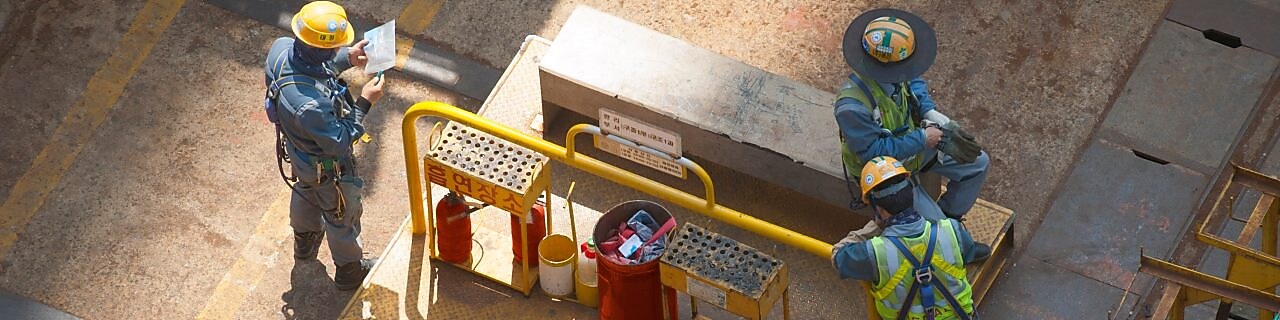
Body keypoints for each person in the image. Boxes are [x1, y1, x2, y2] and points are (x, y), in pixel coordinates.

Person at [263, 1, 386, 290]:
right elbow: (340, 140)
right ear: (325, 49)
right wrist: (365, 101)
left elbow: (311, 62)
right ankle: (349, 271)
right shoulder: (310, 107)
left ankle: (304, 244)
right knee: (341, 215)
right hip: (326, 164)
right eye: (335, 48)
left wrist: (347, 57)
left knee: (306, 192)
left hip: (299, 153)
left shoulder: (280, 48)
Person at [834, 8, 987, 222]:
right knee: (935, 228)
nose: (908, 72)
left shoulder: (897, 72)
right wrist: (923, 139)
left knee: (978, 164)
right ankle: (943, 229)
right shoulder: (852, 107)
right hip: (883, 172)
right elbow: (873, 154)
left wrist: (927, 109)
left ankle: (951, 220)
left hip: (912, 148)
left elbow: (913, 80)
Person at [832, 156, 986, 320]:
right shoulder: (952, 230)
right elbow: (968, 253)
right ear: (912, 194)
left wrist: (875, 226)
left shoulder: (874, 254)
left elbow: (837, 256)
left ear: (879, 209)